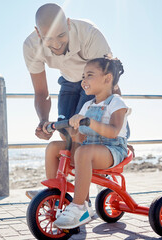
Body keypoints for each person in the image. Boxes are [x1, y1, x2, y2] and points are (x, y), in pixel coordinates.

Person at [50, 56, 131, 229]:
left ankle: (80, 207)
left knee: (83, 152)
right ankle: (56, 197)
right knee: (54, 148)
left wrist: (89, 122)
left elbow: (114, 130)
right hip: (89, 148)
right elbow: (78, 136)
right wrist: (58, 126)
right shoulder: (87, 104)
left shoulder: (116, 102)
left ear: (107, 78)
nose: (83, 80)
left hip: (112, 149)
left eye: (89, 75)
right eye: (83, 76)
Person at [23, 3, 116, 142]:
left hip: (94, 81)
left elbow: (108, 81)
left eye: (61, 35)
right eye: (48, 38)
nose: (56, 44)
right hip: (68, 81)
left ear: (68, 24)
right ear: (38, 33)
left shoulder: (90, 34)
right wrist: (43, 121)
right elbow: (41, 92)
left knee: (80, 131)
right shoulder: (31, 46)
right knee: (64, 132)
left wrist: (118, 129)